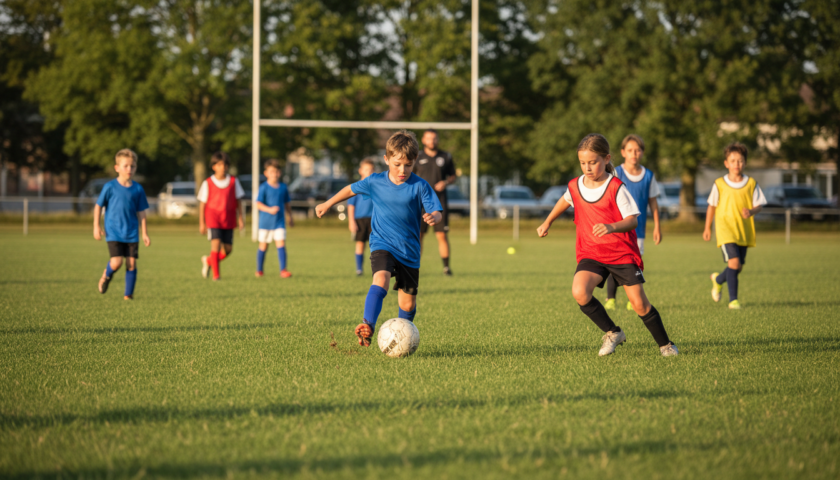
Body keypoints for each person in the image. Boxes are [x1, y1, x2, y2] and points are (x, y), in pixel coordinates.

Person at [537, 133, 678, 357]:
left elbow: (633, 219)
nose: (587, 167)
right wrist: (547, 222)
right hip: (591, 252)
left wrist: (611, 227)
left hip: (621, 254)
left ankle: (666, 345)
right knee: (580, 292)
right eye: (583, 163)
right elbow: (565, 199)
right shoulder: (575, 185)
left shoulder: (615, 187)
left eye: (593, 162)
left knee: (639, 304)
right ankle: (613, 332)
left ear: (606, 159)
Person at [315, 131, 442, 346]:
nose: (403, 170)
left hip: (409, 250)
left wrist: (434, 217)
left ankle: (401, 339)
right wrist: (328, 203)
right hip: (382, 243)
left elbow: (437, 211)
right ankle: (367, 325)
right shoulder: (374, 181)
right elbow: (350, 189)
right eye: (397, 164)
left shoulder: (420, 186)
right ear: (386, 160)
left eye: (408, 165)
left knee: (408, 305)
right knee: (380, 279)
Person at [703, 142, 766, 309]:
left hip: (743, 231)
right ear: (726, 163)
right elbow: (712, 205)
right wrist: (707, 227)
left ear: (745, 162)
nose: (736, 164)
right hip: (725, 230)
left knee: (738, 267)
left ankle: (717, 280)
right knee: (734, 264)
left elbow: (759, 204)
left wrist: (751, 212)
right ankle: (733, 300)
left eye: (740, 161)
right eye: (733, 161)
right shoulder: (719, 183)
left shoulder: (751, 183)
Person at [605, 134, 662, 311]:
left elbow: (653, 201)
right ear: (623, 152)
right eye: (630, 150)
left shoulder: (649, 176)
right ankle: (611, 298)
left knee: (635, 263)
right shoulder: (616, 173)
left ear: (642, 153)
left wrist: (657, 226)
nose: (634, 154)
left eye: (637, 150)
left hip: (639, 229)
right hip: (618, 226)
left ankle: (633, 299)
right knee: (615, 263)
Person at [93, 148, 151, 300]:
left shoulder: (138, 189)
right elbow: (98, 206)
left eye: (132, 166)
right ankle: (106, 276)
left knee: (131, 263)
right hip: (113, 232)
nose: (129, 169)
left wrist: (144, 233)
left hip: (132, 232)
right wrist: (96, 226)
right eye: (125, 166)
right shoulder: (110, 187)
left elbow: (142, 212)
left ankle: (128, 296)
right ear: (117, 168)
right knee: (117, 262)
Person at [415, 129, 457, 275]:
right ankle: (415, 266)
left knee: (441, 235)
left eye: (434, 138)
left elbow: (453, 176)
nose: (431, 141)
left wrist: (445, 182)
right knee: (418, 235)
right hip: (420, 203)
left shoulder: (445, 156)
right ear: (423, 140)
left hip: (440, 202)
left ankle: (446, 268)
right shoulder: (417, 157)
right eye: (428, 138)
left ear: (437, 140)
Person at [197, 152, 245, 281]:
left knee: (228, 249)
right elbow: (202, 204)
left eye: (224, 165)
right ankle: (216, 275)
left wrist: (241, 218)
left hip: (228, 219)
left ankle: (208, 261)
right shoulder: (208, 183)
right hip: (213, 219)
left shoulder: (234, 182)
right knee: (216, 245)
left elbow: (239, 201)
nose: (222, 167)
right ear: (214, 167)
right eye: (219, 165)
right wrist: (202, 223)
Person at [255, 159, 294, 278]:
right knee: (263, 245)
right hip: (265, 222)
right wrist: (269, 209)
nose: (274, 174)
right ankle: (259, 270)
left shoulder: (283, 187)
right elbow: (258, 204)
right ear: (266, 173)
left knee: (281, 244)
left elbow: (287, 203)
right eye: (271, 171)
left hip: (279, 222)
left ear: (279, 173)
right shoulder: (264, 187)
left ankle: (283, 270)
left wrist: (290, 217)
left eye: (276, 171)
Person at [347, 159, 375, 276]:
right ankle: (359, 269)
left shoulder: (376, 186)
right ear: (360, 171)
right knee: (360, 244)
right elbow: (351, 205)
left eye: (371, 170)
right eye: (366, 169)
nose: (369, 172)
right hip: (359, 219)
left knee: (375, 245)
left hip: (374, 220)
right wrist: (351, 221)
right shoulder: (356, 186)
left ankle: (377, 269)